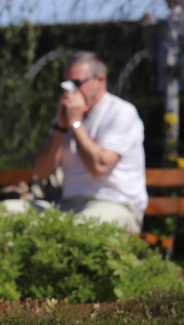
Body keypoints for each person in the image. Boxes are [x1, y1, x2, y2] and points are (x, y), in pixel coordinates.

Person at [34, 51, 147, 234]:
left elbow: (99, 166)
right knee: (4, 212)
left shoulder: (121, 112)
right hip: (68, 206)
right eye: (66, 85)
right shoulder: (64, 117)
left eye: (77, 83)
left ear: (100, 80)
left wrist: (75, 124)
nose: (70, 91)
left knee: (79, 228)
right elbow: (42, 172)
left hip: (116, 205)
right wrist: (61, 129)